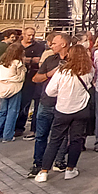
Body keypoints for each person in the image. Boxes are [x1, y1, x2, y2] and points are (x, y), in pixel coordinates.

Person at [34, 44, 94, 182]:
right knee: (76, 140)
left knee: (55, 140)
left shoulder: (62, 71)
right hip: (81, 109)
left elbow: (50, 91)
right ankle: (70, 169)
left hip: (63, 110)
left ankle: (44, 171)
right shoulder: (89, 70)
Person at [28, 32, 70, 178]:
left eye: (54, 43)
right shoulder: (50, 59)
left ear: (63, 44)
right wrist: (49, 74)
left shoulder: (74, 59)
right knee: (41, 135)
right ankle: (38, 163)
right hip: (46, 102)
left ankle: (59, 161)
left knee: (62, 135)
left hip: (64, 102)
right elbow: (36, 78)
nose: (51, 46)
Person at [0, 43, 25, 143]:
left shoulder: (0, 61)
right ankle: (7, 135)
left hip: (2, 88)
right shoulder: (18, 62)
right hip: (14, 88)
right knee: (12, 112)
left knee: (2, 112)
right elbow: (21, 77)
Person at [17, 27, 46, 139]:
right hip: (19, 78)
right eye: (29, 35)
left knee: (35, 104)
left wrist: (25, 60)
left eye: (33, 35)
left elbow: (39, 60)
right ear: (23, 34)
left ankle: (34, 128)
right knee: (22, 104)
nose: (31, 37)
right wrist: (31, 60)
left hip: (33, 77)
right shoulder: (17, 46)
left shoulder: (39, 46)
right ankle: (19, 127)